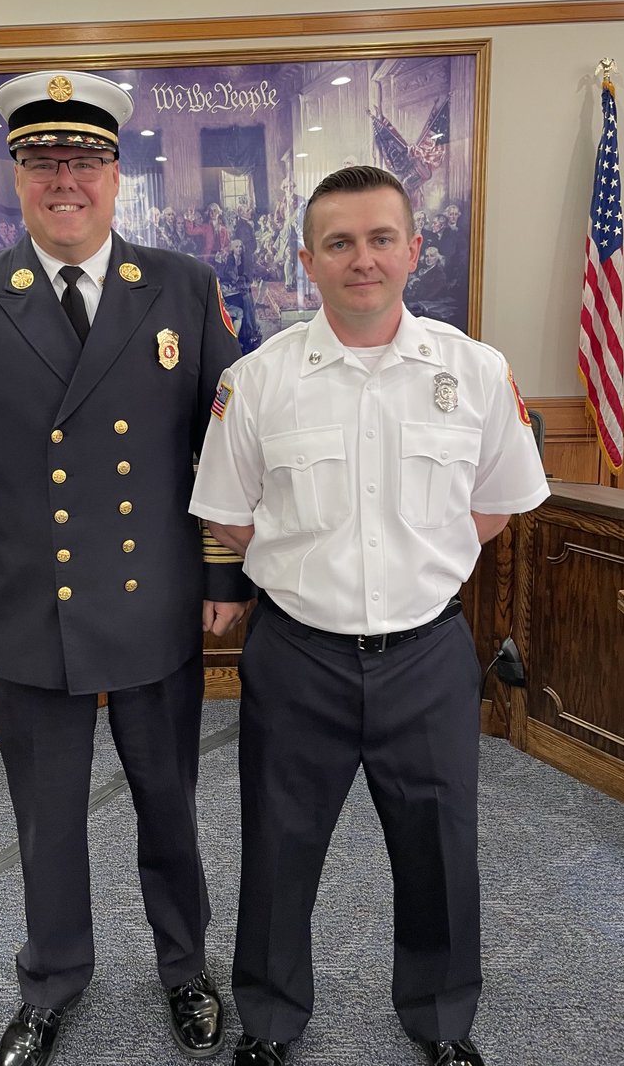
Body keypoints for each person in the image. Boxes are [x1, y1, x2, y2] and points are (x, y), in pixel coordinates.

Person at [0, 69, 251, 1066]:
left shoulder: (179, 284)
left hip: (155, 605)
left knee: (168, 807)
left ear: (114, 173)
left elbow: (221, 446)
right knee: (46, 819)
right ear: (16, 172)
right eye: (44, 159)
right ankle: (53, 981)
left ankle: (185, 968)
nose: (66, 177)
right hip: (25, 612)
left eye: (84, 158)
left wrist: (224, 575)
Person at [189, 165, 549, 1066]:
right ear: (307, 258)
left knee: (439, 847)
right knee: (277, 847)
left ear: (413, 250)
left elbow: (500, 499)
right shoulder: (257, 381)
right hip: (297, 653)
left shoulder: (473, 372)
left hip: (426, 653)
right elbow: (229, 512)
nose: (363, 259)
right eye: (340, 242)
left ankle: (440, 1019)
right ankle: (270, 1024)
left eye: (381, 238)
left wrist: (427, 561)